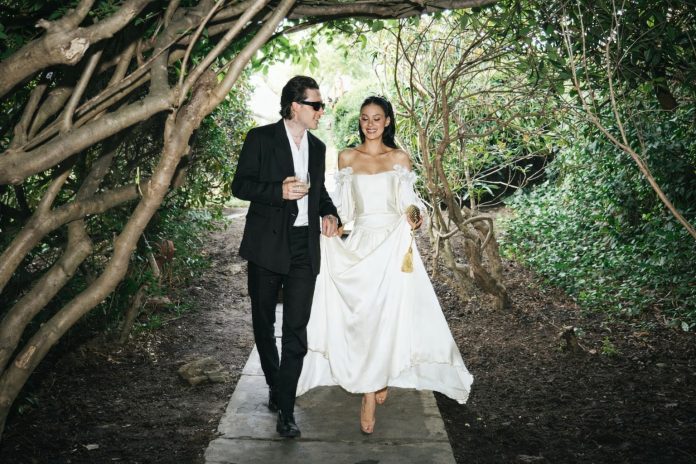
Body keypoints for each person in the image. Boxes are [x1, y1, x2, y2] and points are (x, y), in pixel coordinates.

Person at [296, 96, 473, 434]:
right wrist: (333, 225)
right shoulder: (347, 156)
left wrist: (415, 216)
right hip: (362, 243)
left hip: (392, 245)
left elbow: (409, 204)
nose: (371, 124)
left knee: (387, 316)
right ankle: (374, 378)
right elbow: (345, 210)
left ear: (388, 121)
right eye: (365, 118)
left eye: (377, 118)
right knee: (364, 318)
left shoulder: (399, 158)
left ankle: (370, 392)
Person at [231, 76, 341, 438]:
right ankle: (275, 385)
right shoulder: (260, 138)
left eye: (321, 106)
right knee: (264, 323)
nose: (321, 111)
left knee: (296, 330)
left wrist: (330, 213)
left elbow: (319, 192)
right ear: (295, 106)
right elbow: (240, 185)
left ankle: (287, 409)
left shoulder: (319, 147)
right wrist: (277, 191)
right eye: (316, 105)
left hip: (303, 248)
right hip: (266, 245)